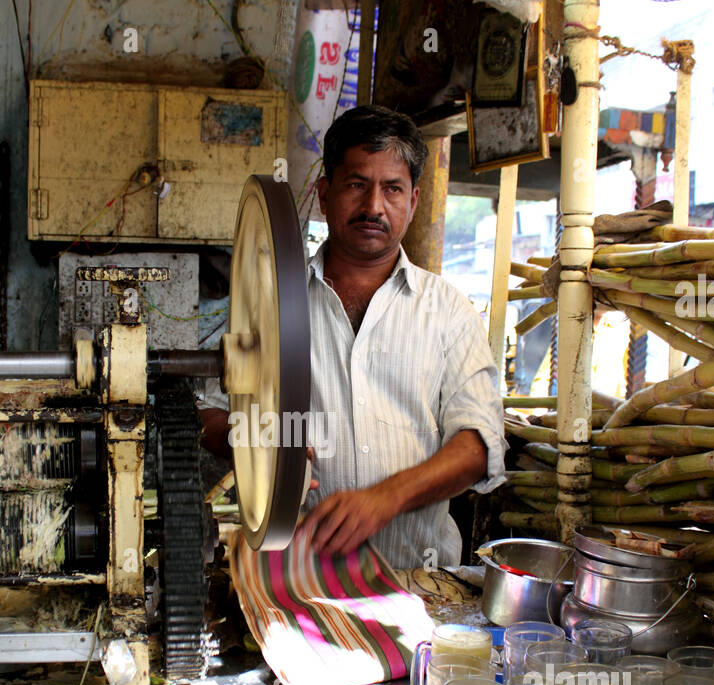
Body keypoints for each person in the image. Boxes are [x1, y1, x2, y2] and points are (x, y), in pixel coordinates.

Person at [203, 105, 505, 568]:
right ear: (325, 195)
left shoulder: (448, 312)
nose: (373, 207)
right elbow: (210, 414)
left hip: (420, 585)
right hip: (300, 584)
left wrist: (386, 498)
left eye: (392, 189)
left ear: (414, 201)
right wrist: (252, 441)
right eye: (356, 185)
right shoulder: (269, 310)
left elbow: (479, 443)